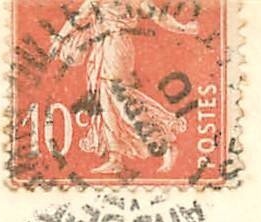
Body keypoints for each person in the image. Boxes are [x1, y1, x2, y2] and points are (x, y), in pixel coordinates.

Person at [48, 1, 199, 174]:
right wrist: (183, 28)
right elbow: (159, 16)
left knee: (120, 98)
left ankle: (164, 144)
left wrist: (59, 40)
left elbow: (78, 18)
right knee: (106, 101)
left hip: (114, 47)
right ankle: (115, 158)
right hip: (107, 47)